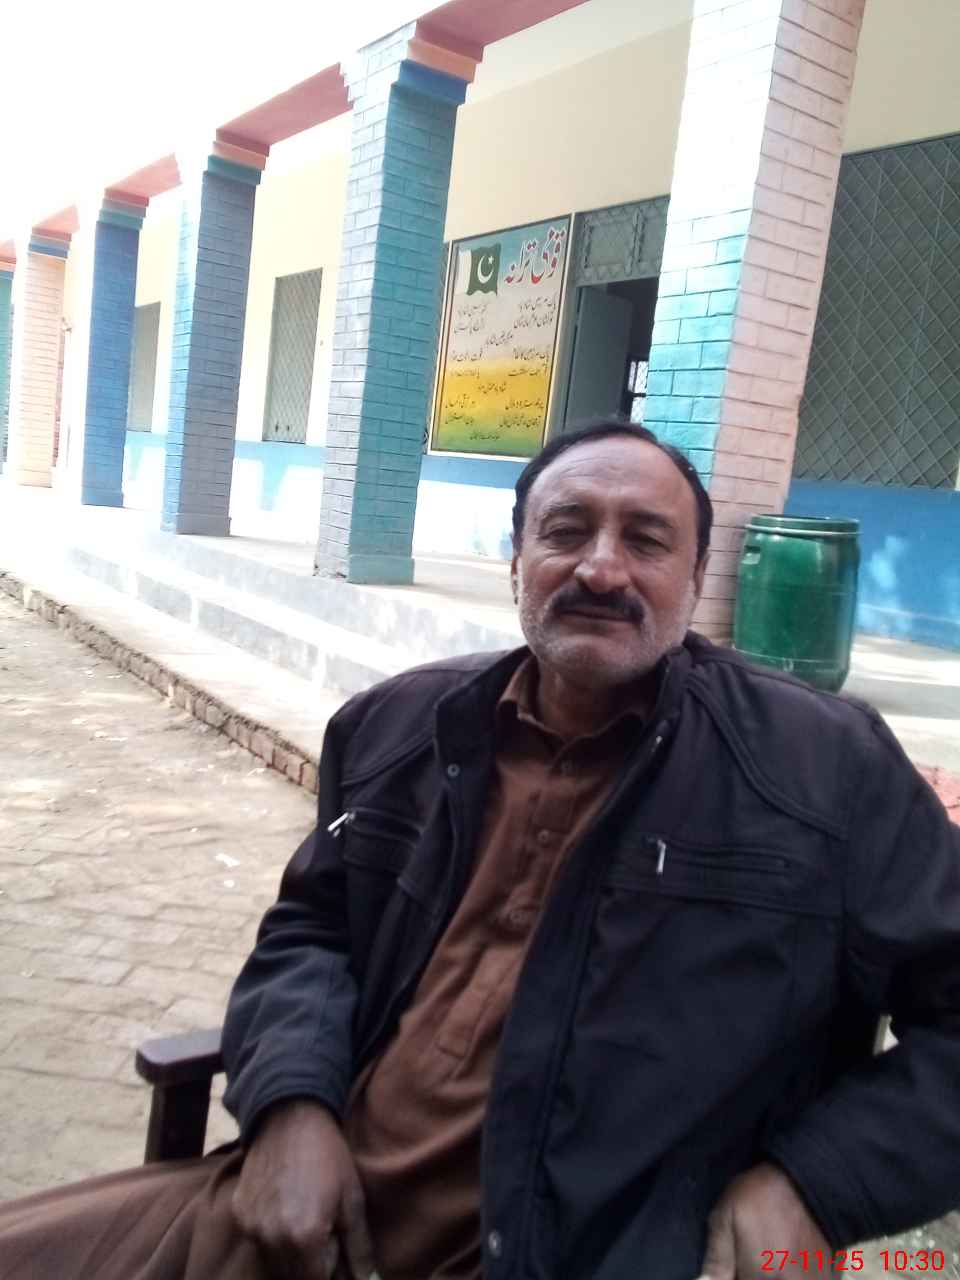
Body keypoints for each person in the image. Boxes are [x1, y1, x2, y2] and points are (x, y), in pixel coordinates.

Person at [1, 420, 959, 1280]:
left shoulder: (821, 771)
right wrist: (290, 1105)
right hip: (298, 1224)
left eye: (646, 540)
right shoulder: (396, 731)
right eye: (567, 531)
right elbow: (312, 933)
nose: (602, 570)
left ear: (697, 578)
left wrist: (814, 1182)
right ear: (516, 562)